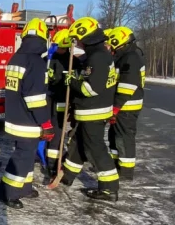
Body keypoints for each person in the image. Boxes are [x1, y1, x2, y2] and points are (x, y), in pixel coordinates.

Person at [60, 16, 120, 201]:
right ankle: (67, 176)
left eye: (77, 39)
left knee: (96, 150)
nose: (77, 42)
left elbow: (91, 88)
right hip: (90, 111)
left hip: (93, 112)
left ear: (85, 36)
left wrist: (73, 82)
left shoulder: (98, 58)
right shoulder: (98, 55)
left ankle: (109, 189)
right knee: (77, 144)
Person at [0, 18, 54, 209]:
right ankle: (7, 192)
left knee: (27, 156)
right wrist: (46, 123)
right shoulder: (36, 62)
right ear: (43, 37)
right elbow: (35, 98)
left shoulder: (17, 57)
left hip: (15, 117)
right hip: (28, 120)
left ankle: (24, 187)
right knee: (23, 157)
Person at [105, 26, 145, 181]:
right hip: (122, 106)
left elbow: (127, 86)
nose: (113, 50)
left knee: (124, 138)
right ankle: (115, 164)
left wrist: (115, 107)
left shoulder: (131, 58)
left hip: (127, 106)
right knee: (114, 136)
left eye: (115, 47)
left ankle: (126, 172)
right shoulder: (125, 56)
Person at [45, 28, 72, 177]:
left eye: (62, 47)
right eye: (57, 47)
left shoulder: (72, 60)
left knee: (59, 133)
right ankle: (51, 164)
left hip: (63, 101)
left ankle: (54, 163)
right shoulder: (51, 57)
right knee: (53, 132)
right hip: (51, 98)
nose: (59, 49)